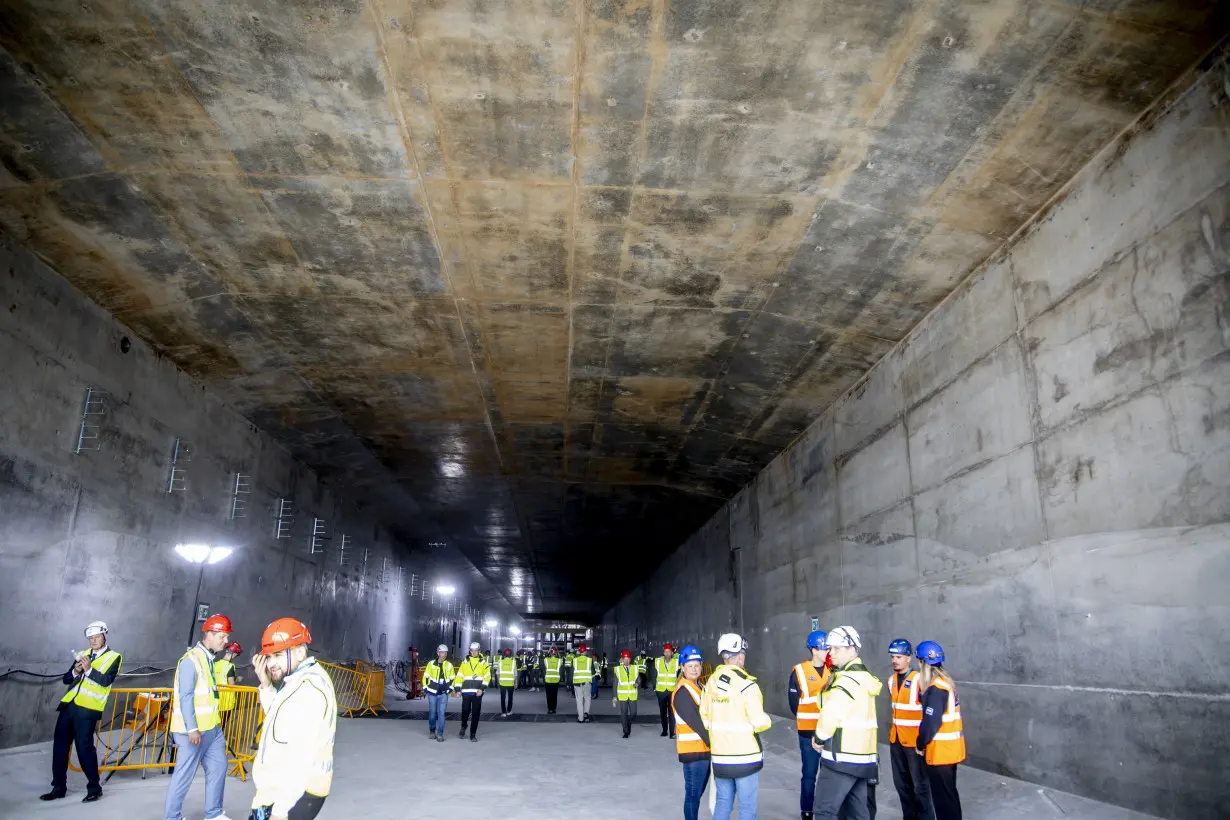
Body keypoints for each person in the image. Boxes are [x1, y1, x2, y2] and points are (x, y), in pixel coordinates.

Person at [248, 617, 336, 820]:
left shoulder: (309, 689)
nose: (271, 664)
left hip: (296, 794)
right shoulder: (297, 681)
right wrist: (266, 685)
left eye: (278, 655)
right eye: (268, 657)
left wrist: (280, 812)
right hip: (277, 790)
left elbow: (301, 757)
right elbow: (281, 722)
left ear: (299, 652)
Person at [41, 620, 122, 803]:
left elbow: (106, 681)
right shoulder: (84, 654)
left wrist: (89, 670)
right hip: (69, 706)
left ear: (105, 636)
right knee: (60, 747)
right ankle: (58, 787)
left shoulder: (114, 657)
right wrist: (76, 672)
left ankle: (94, 788)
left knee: (84, 749)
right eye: (90, 638)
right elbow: (66, 679)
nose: (93, 641)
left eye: (96, 637)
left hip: (88, 710)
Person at [165, 613, 235, 820]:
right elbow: (185, 696)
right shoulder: (190, 660)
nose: (226, 641)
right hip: (192, 733)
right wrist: (192, 728)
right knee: (183, 777)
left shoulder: (209, 659)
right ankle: (172, 817)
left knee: (219, 769)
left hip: (212, 730)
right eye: (223, 636)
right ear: (210, 635)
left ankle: (214, 814)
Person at [810, 626, 882, 820]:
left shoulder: (846, 681)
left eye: (836, 649)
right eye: (830, 648)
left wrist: (818, 737)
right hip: (862, 759)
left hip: (840, 759)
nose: (830, 653)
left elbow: (831, 714)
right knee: (857, 814)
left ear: (851, 649)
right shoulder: (865, 678)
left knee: (824, 812)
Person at [702, 633, 772, 820]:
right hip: (746, 758)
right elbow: (759, 722)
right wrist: (767, 720)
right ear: (740, 656)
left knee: (723, 801)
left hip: (720, 757)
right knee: (747, 808)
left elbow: (705, 719)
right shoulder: (747, 685)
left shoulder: (710, 684)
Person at [914, 641, 964, 820]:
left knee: (943, 801)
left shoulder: (936, 689)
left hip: (941, 754)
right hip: (950, 752)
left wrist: (920, 743)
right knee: (949, 796)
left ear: (922, 663)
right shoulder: (946, 683)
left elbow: (931, 723)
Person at [789, 630, 831, 820]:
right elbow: (793, 703)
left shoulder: (834, 671)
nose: (827, 652)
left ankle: (825, 811)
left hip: (830, 731)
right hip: (808, 733)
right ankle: (807, 812)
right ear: (814, 650)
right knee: (809, 775)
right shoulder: (799, 671)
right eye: (824, 648)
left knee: (829, 776)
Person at [887, 639, 932, 820]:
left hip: (914, 744)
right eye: (892, 657)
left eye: (898, 656)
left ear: (908, 658)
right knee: (902, 785)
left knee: (920, 787)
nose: (894, 660)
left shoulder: (919, 679)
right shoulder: (891, 681)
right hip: (896, 741)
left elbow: (929, 713)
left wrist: (924, 741)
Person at [672, 645, 711, 820]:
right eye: (690, 666)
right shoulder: (682, 692)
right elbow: (697, 723)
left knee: (696, 794)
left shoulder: (698, 686)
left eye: (697, 665)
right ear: (682, 667)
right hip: (693, 752)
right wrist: (717, 744)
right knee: (693, 796)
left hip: (703, 750)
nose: (694, 669)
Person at [454, 642, 490, 741]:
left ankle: (472, 734)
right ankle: (463, 726)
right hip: (466, 692)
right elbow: (459, 676)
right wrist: (457, 689)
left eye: (476, 650)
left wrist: (482, 689)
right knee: (465, 711)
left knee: (476, 713)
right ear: (470, 651)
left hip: (477, 693)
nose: (474, 652)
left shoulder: (483, 663)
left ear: (479, 651)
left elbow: (487, 677)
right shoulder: (465, 662)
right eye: (472, 650)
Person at [422, 644, 455, 742]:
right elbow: (425, 677)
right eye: (442, 652)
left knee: (441, 714)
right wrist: (425, 688)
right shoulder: (431, 664)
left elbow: (453, 679)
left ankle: (440, 734)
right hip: (432, 693)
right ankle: (432, 731)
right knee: (432, 713)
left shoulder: (449, 665)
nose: (443, 654)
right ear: (438, 653)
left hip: (443, 694)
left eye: (445, 653)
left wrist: (450, 689)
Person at [214, 642, 242, 734]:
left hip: (215, 700)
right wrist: (237, 679)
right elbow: (231, 684)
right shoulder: (230, 666)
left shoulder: (215, 664)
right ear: (234, 654)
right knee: (221, 726)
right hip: (226, 702)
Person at [654, 643, 680, 738]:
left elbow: (681, 672)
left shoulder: (676, 662)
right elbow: (654, 675)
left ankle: (672, 733)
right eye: (666, 652)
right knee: (663, 712)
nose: (667, 654)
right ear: (663, 652)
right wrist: (654, 688)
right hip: (660, 691)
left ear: (672, 653)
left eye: (669, 652)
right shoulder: (658, 661)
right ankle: (664, 730)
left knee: (672, 712)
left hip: (672, 690)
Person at [612, 650, 639, 738]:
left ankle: (628, 722)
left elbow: (638, 678)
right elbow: (615, 684)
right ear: (622, 660)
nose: (626, 661)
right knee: (624, 713)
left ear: (630, 659)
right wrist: (614, 696)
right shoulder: (618, 670)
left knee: (634, 713)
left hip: (632, 695)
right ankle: (626, 732)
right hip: (622, 696)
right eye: (625, 659)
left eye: (628, 659)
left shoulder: (635, 668)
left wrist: (637, 683)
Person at [572, 644, 595, 722]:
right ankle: (586, 714)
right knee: (587, 698)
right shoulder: (589, 660)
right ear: (585, 651)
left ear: (579, 652)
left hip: (577, 683)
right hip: (587, 682)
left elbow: (573, 671)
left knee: (579, 700)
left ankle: (580, 718)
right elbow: (593, 672)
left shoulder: (575, 660)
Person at [497, 648, 517, 717]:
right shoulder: (513, 662)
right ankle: (509, 711)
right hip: (510, 683)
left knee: (503, 698)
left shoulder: (500, 662)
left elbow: (498, 673)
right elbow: (515, 674)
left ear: (504, 654)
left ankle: (503, 712)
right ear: (510, 654)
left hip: (502, 683)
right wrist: (516, 683)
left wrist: (499, 681)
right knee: (510, 698)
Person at [543, 648, 563, 713]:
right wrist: (557, 651)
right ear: (556, 653)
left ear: (550, 653)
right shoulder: (559, 661)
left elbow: (545, 656)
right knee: (554, 695)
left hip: (548, 680)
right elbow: (560, 658)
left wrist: (549, 651)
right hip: (556, 681)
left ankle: (549, 709)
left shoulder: (546, 660)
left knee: (548, 695)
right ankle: (554, 709)